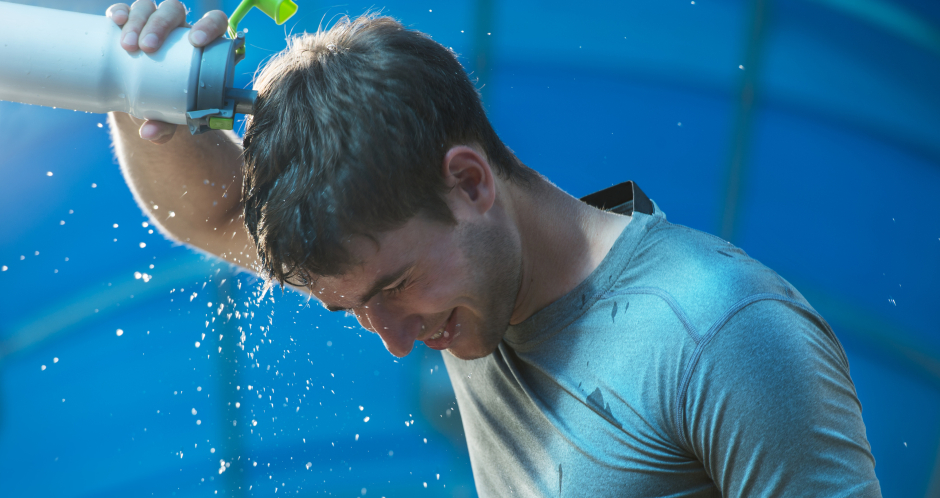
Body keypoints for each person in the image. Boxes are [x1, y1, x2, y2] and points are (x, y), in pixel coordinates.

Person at [104, 1, 882, 496]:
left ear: (471, 182)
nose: (397, 342)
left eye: (397, 287)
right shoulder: (457, 280)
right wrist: (139, 96)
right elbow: (205, 215)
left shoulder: (719, 334)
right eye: (357, 310)